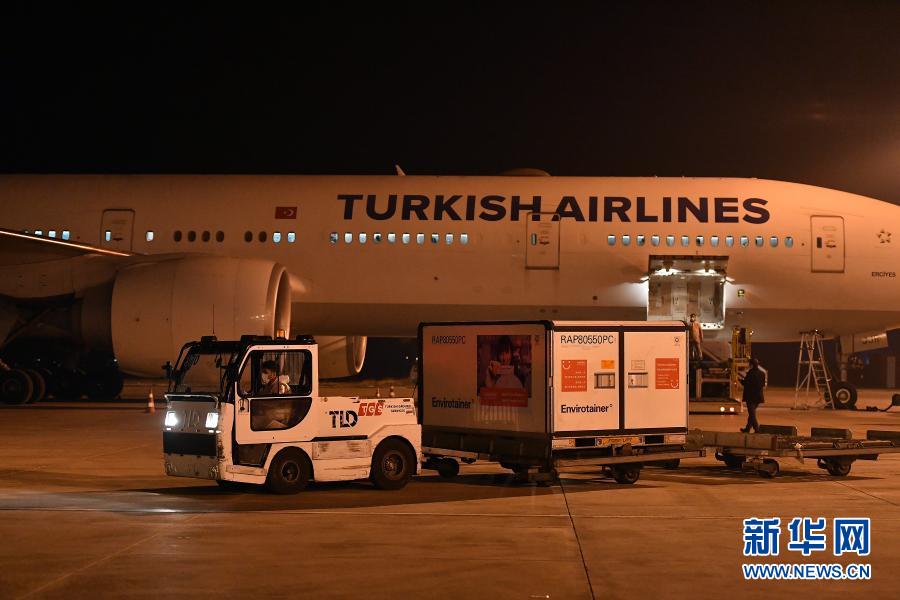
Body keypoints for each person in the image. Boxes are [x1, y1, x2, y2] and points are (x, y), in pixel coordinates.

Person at [739, 358, 766, 433]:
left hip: (750, 397)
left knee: (752, 413)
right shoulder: (762, 373)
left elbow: (745, 383)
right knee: (752, 413)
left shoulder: (750, 373)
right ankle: (747, 428)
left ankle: (757, 429)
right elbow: (763, 384)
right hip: (758, 396)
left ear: (751, 365)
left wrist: (740, 380)